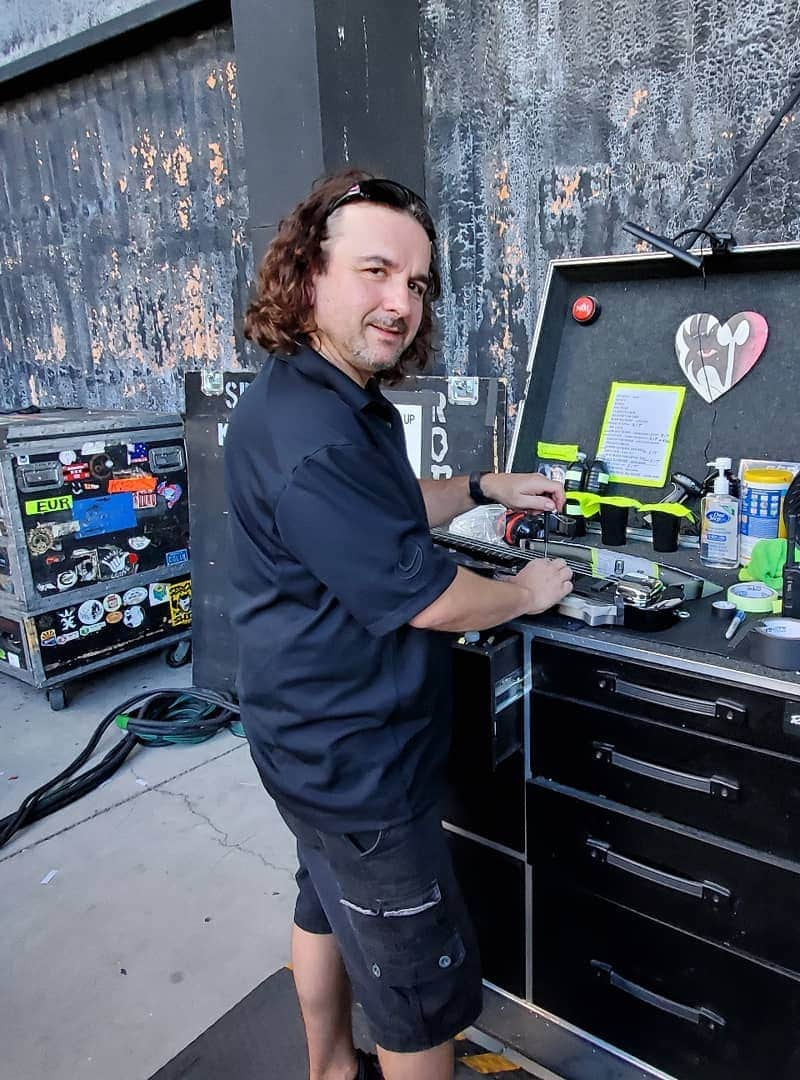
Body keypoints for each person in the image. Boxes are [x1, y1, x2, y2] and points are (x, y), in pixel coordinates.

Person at [225, 168, 573, 1080]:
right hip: (359, 767)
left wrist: (484, 489)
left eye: (415, 284)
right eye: (376, 272)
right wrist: (529, 591)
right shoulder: (319, 436)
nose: (400, 302)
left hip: (303, 743)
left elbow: (385, 507)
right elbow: (434, 598)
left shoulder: (317, 392)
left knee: (325, 904)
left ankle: (330, 1069)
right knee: (419, 994)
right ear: (309, 276)